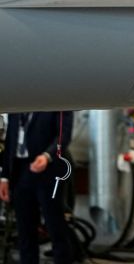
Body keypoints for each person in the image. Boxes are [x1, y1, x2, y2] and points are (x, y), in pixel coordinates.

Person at [1, 111, 75, 264]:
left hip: (49, 170)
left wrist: (47, 155)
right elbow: (10, 141)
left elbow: (63, 135)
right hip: (20, 172)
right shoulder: (17, 104)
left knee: (55, 227)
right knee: (25, 230)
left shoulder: (57, 100)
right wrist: (4, 177)